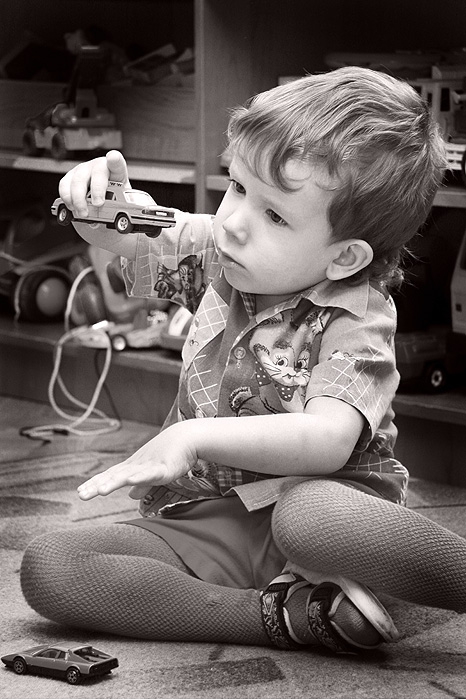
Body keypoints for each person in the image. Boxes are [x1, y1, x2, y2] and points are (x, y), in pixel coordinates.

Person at [21, 67, 466, 653]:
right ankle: (291, 616)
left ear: (344, 258)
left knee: (308, 519)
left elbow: (327, 438)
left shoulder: (358, 317)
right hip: (213, 515)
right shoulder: (226, 251)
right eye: (236, 185)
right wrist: (101, 207)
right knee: (52, 565)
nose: (232, 222)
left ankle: (398, 578)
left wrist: (194, 437)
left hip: (326, 512)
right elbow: (138, 235)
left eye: (274, 215)